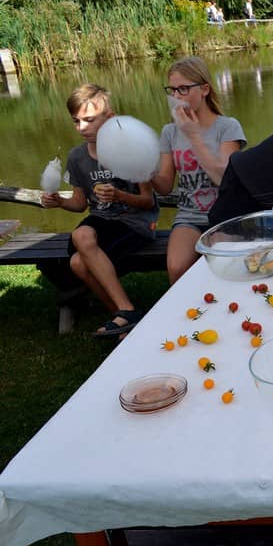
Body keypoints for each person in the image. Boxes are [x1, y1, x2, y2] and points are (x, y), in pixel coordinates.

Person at [40, 84, 159, 337]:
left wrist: (119, 195)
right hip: (102, 222)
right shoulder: (77, 157)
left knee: (80, 247)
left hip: (134, 223)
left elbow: (147, 201)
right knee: (77, 259)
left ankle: (124, 313)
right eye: (76, 121)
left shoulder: (132, 149)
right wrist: (59, 201)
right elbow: (80, 204)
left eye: (89, 120)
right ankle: (125, 318)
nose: (82, 128)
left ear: (110, 118)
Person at [151, 56, 246, 284]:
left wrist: (193, 135)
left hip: (225, 214)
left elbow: (222, 178)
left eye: (183, 89)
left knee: (223, 267)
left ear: (204, 89)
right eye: (172, 90)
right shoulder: (169, 132)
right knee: (176, 267)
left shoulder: (227, 127)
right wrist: (144, 171)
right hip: (189, 216)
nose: (176, 96)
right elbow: (164, 187)